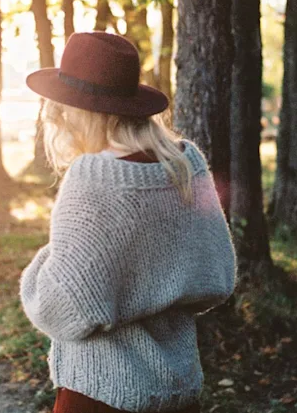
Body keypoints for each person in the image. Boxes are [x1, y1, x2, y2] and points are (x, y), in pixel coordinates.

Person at [19, 31, 237, 413]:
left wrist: (45, 263)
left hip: (101, 394)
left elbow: (59, 308)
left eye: (64, 106)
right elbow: (217, 276)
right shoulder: (187, 166)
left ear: (79, 110)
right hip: (178, 388)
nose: (61, 117)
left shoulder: (94, 178)